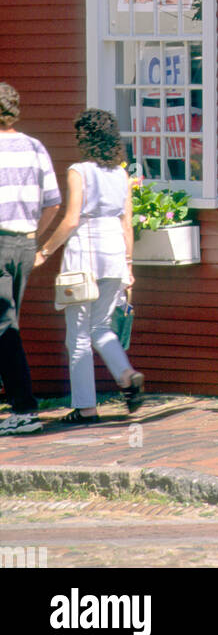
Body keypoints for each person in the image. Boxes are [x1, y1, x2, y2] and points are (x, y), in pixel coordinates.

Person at [32, 109, 144, 422]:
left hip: (85, 250)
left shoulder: (78, 171)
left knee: (78, 334)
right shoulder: (121, 174)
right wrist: (129, 265)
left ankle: (85, 406)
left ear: (86, 139)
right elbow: (127, 223)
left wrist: (45, 251)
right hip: (114, 251)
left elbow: (70, 219)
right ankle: (125, 374)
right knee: (101, 326)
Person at [0, 83, 62, 436]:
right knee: (8, 323)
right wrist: (33, 236)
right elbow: (53, 202)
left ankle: (24, 408)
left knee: (4, 326)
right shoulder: (35, 147)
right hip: (24, 243)